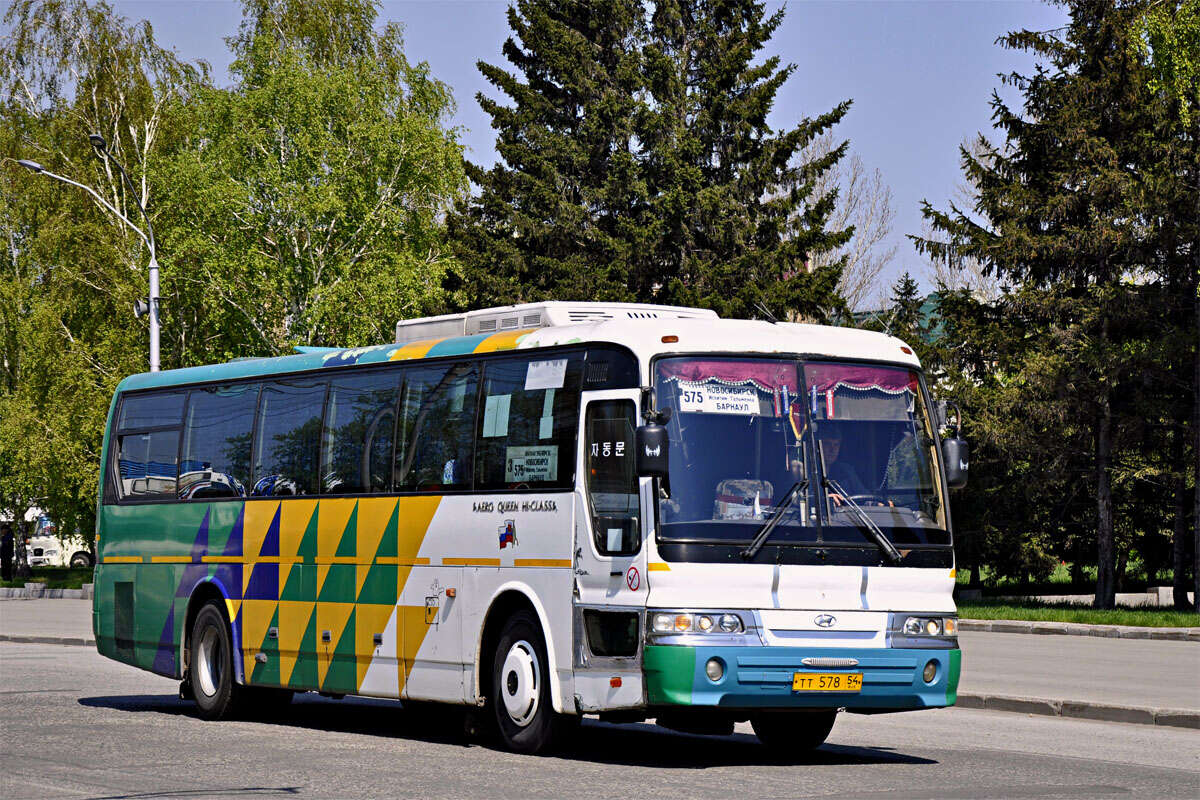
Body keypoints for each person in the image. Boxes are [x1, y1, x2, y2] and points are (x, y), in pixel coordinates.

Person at [817, 427, 870, 506]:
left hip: (849, 517)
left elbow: (864, 496)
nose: (832, 450)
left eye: (836, 445)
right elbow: (802, 499)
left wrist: (878, 503)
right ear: (818, 447)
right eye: (827, 444)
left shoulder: (846, 471)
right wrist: (822, 499)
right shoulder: (810, 472)